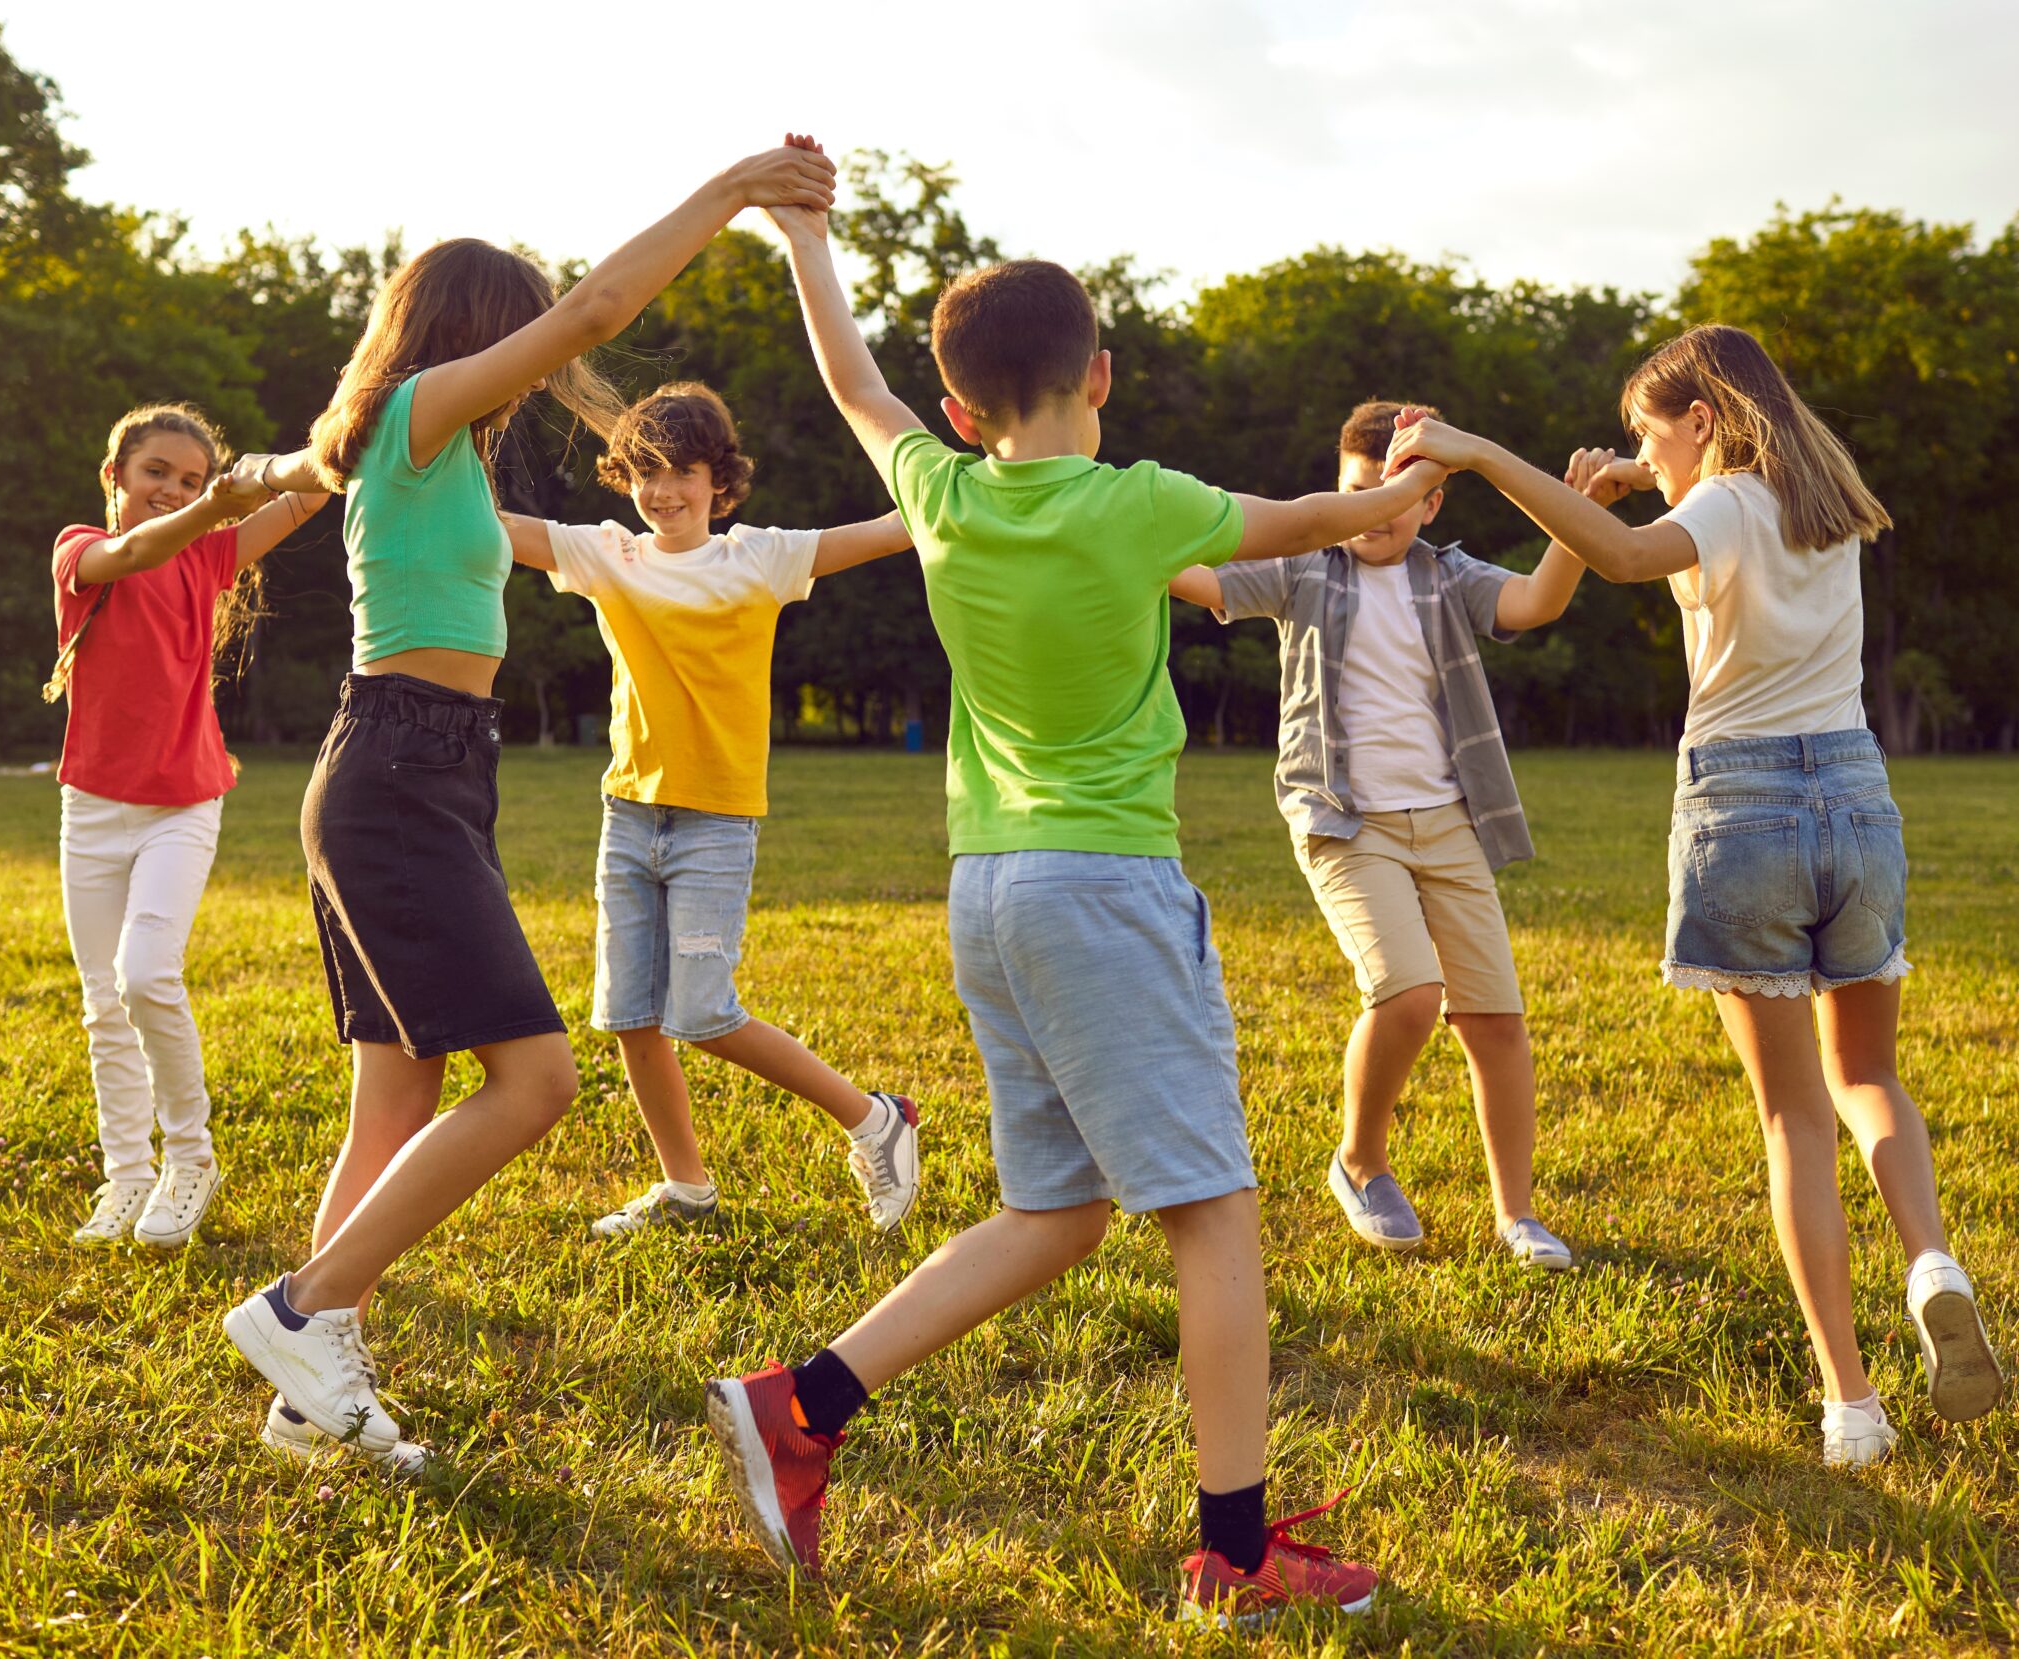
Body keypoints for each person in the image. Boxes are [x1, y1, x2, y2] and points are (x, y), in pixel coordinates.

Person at [703, 140, 1454, 1624]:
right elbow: (1335, 521)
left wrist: (802, 238)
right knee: (1216, 1214)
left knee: (1058, 1209)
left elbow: (859, 384)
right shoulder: (1143, 503)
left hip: (990, 888)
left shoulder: (938, 486)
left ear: (964, 408)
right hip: (1106, 889)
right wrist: (1439, 462)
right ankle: (1235, 1555)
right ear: (1100, 374)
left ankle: (804, 1401)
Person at [214, 142, 840, 1472]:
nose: (537, 372)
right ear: (468, 335)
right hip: (396, 773)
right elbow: (600, 315)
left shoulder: (408, 444)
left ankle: (306, 1391)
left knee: (392, 1102)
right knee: (538, 1079)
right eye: (520, 340)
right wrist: (730, 197)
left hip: (411, 767)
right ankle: (301, 1309)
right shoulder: (421, 410)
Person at [1391, 323, 2006, 1466]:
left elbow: (1625, 561)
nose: (1640, 453)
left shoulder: (1718, 503)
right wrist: (1632, 475)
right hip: (1857, 800)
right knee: (1867, 1074)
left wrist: (1478, 455)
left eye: (1648, 430)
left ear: (1706, 421)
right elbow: (1673, 516)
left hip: (1747, 806)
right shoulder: (1827, 502)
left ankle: (1851, 1406)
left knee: (1791, 1120)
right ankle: (1929, 1260)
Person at [1169, 397, 1586, 1268]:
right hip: (1343, 818)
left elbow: (1537, 601)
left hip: (1449, 818)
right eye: (1359, 493)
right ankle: (1359, 1161)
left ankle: (1518, 1214)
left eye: (1398, 497)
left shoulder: (1450, 575)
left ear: (1432, 501)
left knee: (1496, 1019)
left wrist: (1581, 520)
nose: (1376, 514)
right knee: (1406, 992)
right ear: (1337, 490)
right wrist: (1130, 529)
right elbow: (1200, 579)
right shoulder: (1302, 566)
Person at [504, 381, 921, 1239]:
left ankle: (876, 1118)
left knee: (703, 1013)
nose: (664, 491)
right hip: (628, 815)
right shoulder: (606, 553)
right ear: (624, 477)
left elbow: (895, 526)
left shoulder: (759, 558)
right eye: (647, 471)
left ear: (719, 480)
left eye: (683, 471)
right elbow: (494, 530)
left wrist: (982, 470)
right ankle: (684, 1188)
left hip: (716, 823)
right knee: (630, 1016)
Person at [50, 402, 323, 1251]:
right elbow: (132, 552)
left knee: (145, 975)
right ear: (115, 478)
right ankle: (126, 1175)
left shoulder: (211, 553)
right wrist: (219, 501)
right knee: (103, 1005)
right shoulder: (78, 552)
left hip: (182, 806)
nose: (172, 490)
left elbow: (311, 491)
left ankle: (191, 1160)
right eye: (155, 474)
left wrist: (285, 465)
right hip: (91, 810)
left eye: (192, 479)